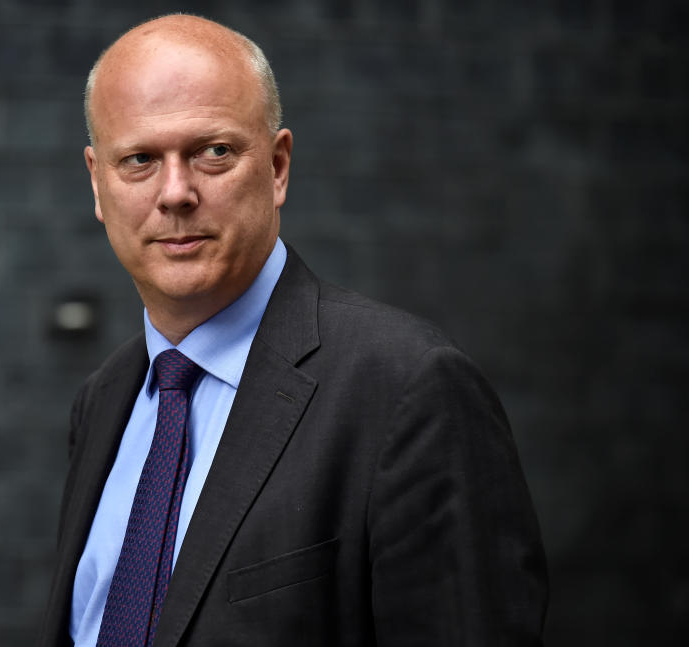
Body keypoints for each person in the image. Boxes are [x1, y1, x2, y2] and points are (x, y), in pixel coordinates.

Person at [41, 14, 547, 647]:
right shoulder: (105, 401)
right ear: (97, 183)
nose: (175, 193)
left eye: (213, 152)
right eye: (140, 159)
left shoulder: (408, 389)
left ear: (278, 167)